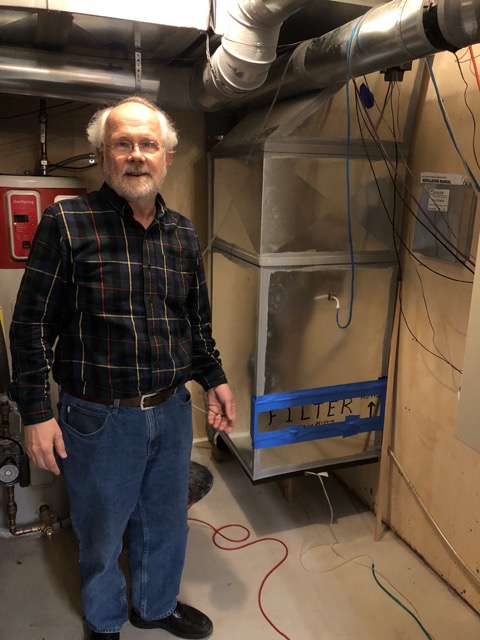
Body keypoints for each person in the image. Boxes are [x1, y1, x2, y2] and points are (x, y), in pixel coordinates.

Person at [8, 96, 236, 640]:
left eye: (148, 144)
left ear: (167, 157)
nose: (137, 155)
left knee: (165, 520)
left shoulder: (181, 234)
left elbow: (195, 324)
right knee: (102, 530)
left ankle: (154, 607)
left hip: (173, 410)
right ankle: (104, 620)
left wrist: (217, 380)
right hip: (99, 418)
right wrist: (37, 414)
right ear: (102, 156)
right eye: (123, 144)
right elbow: (30, 326)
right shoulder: (67, 222)